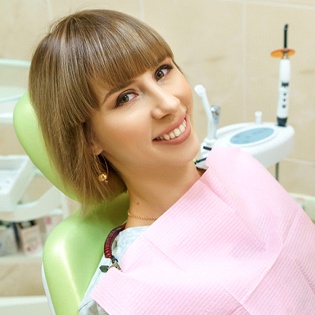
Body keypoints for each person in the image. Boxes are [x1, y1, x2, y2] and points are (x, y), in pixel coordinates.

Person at [29, 9, 315, 315]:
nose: (169, 104)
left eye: (162, 72)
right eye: (125, 97)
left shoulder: (238, 169)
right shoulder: (134, 291)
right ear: (89, 140)